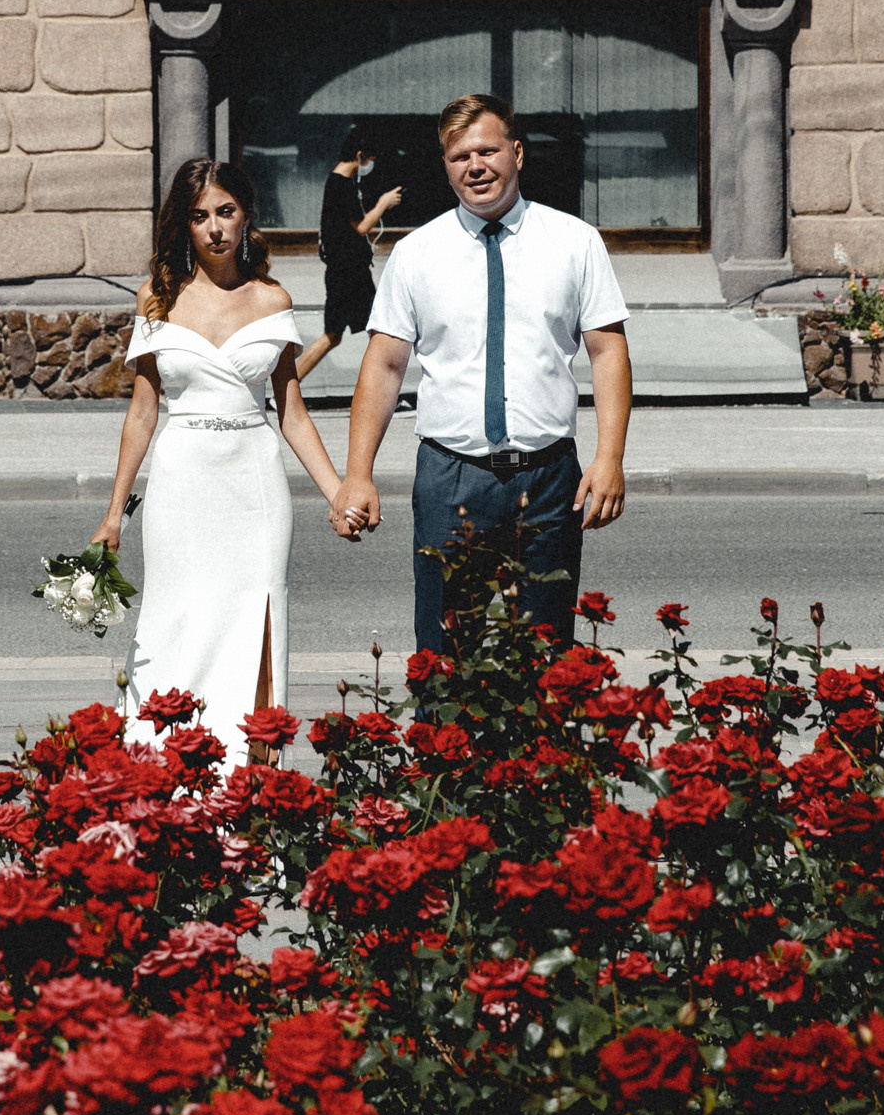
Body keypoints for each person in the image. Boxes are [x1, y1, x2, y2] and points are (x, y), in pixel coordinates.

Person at [329, 91, 632, 652]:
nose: (475, 166)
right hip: (451, 478)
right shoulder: (417, 253)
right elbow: (385, 366)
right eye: (459, 157)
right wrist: (357, 473)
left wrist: (609, 457)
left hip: (548, 483)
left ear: (517, 153)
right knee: (444, 656)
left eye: (488, 151)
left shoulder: (574, 242)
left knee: (546, 659)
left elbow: (608, 352)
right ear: (445, 168)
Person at [91, 156, 346, 748]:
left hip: (255, 486)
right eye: (200, 215)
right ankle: (162, 776)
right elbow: (142, 412)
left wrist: (338, 492)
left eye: (225, 212)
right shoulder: (155, 297)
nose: (214, 228)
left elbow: (293, 411)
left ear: (246, 217)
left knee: (257, 619)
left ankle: (251, 782)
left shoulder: (272, 299)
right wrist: (112, 517)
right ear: (184, 224)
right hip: (181, 482)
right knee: (176, 620)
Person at [296, 130, 402, 386]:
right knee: (376, 331)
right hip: (349, 273)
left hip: (344, 271)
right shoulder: (342, 185)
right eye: (370, 159)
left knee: (342, 335)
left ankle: (287, 388)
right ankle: (386, 393)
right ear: (359, 156)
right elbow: (362, 226)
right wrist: (384, 203)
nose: (370, 165)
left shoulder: (337, 182)